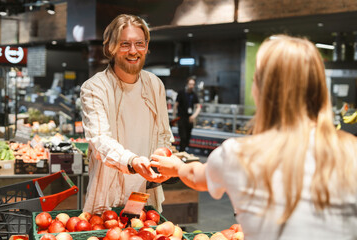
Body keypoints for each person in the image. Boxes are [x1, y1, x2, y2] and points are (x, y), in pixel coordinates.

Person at [151, 35, 357, 239]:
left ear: (260, 90)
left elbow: (196, 176)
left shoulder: (238, 154)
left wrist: (176, 167)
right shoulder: (352, 151)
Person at [80, 14, 171, 214]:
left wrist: (164, 162)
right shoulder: (95, 88)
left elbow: (164, 134)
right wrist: (132, 162)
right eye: (124, 44)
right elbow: (100, 140)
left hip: (145, 194)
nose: (133, 51)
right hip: (108, 196)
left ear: (146, 46)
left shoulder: (155, 84)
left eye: (139, 43)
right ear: (111, 48)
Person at [173, 76, 201, 152]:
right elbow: (176, 105)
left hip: (189, 119)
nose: (191, 86)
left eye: (193, 84)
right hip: (181, 118)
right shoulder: (181, 93)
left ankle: (184, 152)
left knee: (188, 138)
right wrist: (174, 117)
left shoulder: (194, 95)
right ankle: (182, 152)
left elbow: (199, 107)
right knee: (183, 137)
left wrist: (194, 116)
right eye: (190, 84)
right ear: (187, 84)